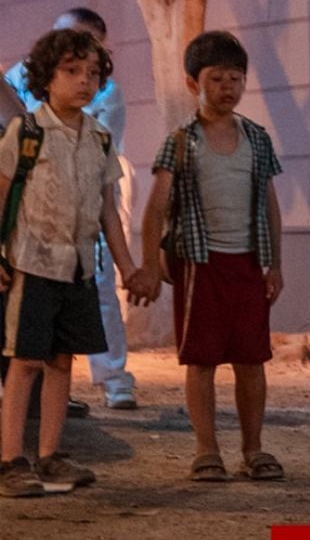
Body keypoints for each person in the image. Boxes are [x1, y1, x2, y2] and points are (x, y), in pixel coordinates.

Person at [0, 29, 147, 498]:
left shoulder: (100, 140)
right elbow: (2, 196)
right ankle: (10, 461)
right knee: (24, 362)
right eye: (71, 71)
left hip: (79, 270)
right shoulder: (26, 133)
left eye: (93, 73)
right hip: (32, 264)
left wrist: (127, 267)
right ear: (46, 77)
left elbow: (108, 210)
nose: (84, 81)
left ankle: (49, 455)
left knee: (62, 362)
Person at [137, 31, 285, 483]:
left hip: (246, 264)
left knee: (251, 359)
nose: (227, 87)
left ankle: (254, 449)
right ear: (192, 84)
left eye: (236, 78)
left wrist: (274, 264)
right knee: (200, 361)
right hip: (198, 266)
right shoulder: (181, 142)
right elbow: (156, 209)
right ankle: (206, 450)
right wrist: (147, 264)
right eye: (216, 78)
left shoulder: (257, 140)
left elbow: (271, 205)